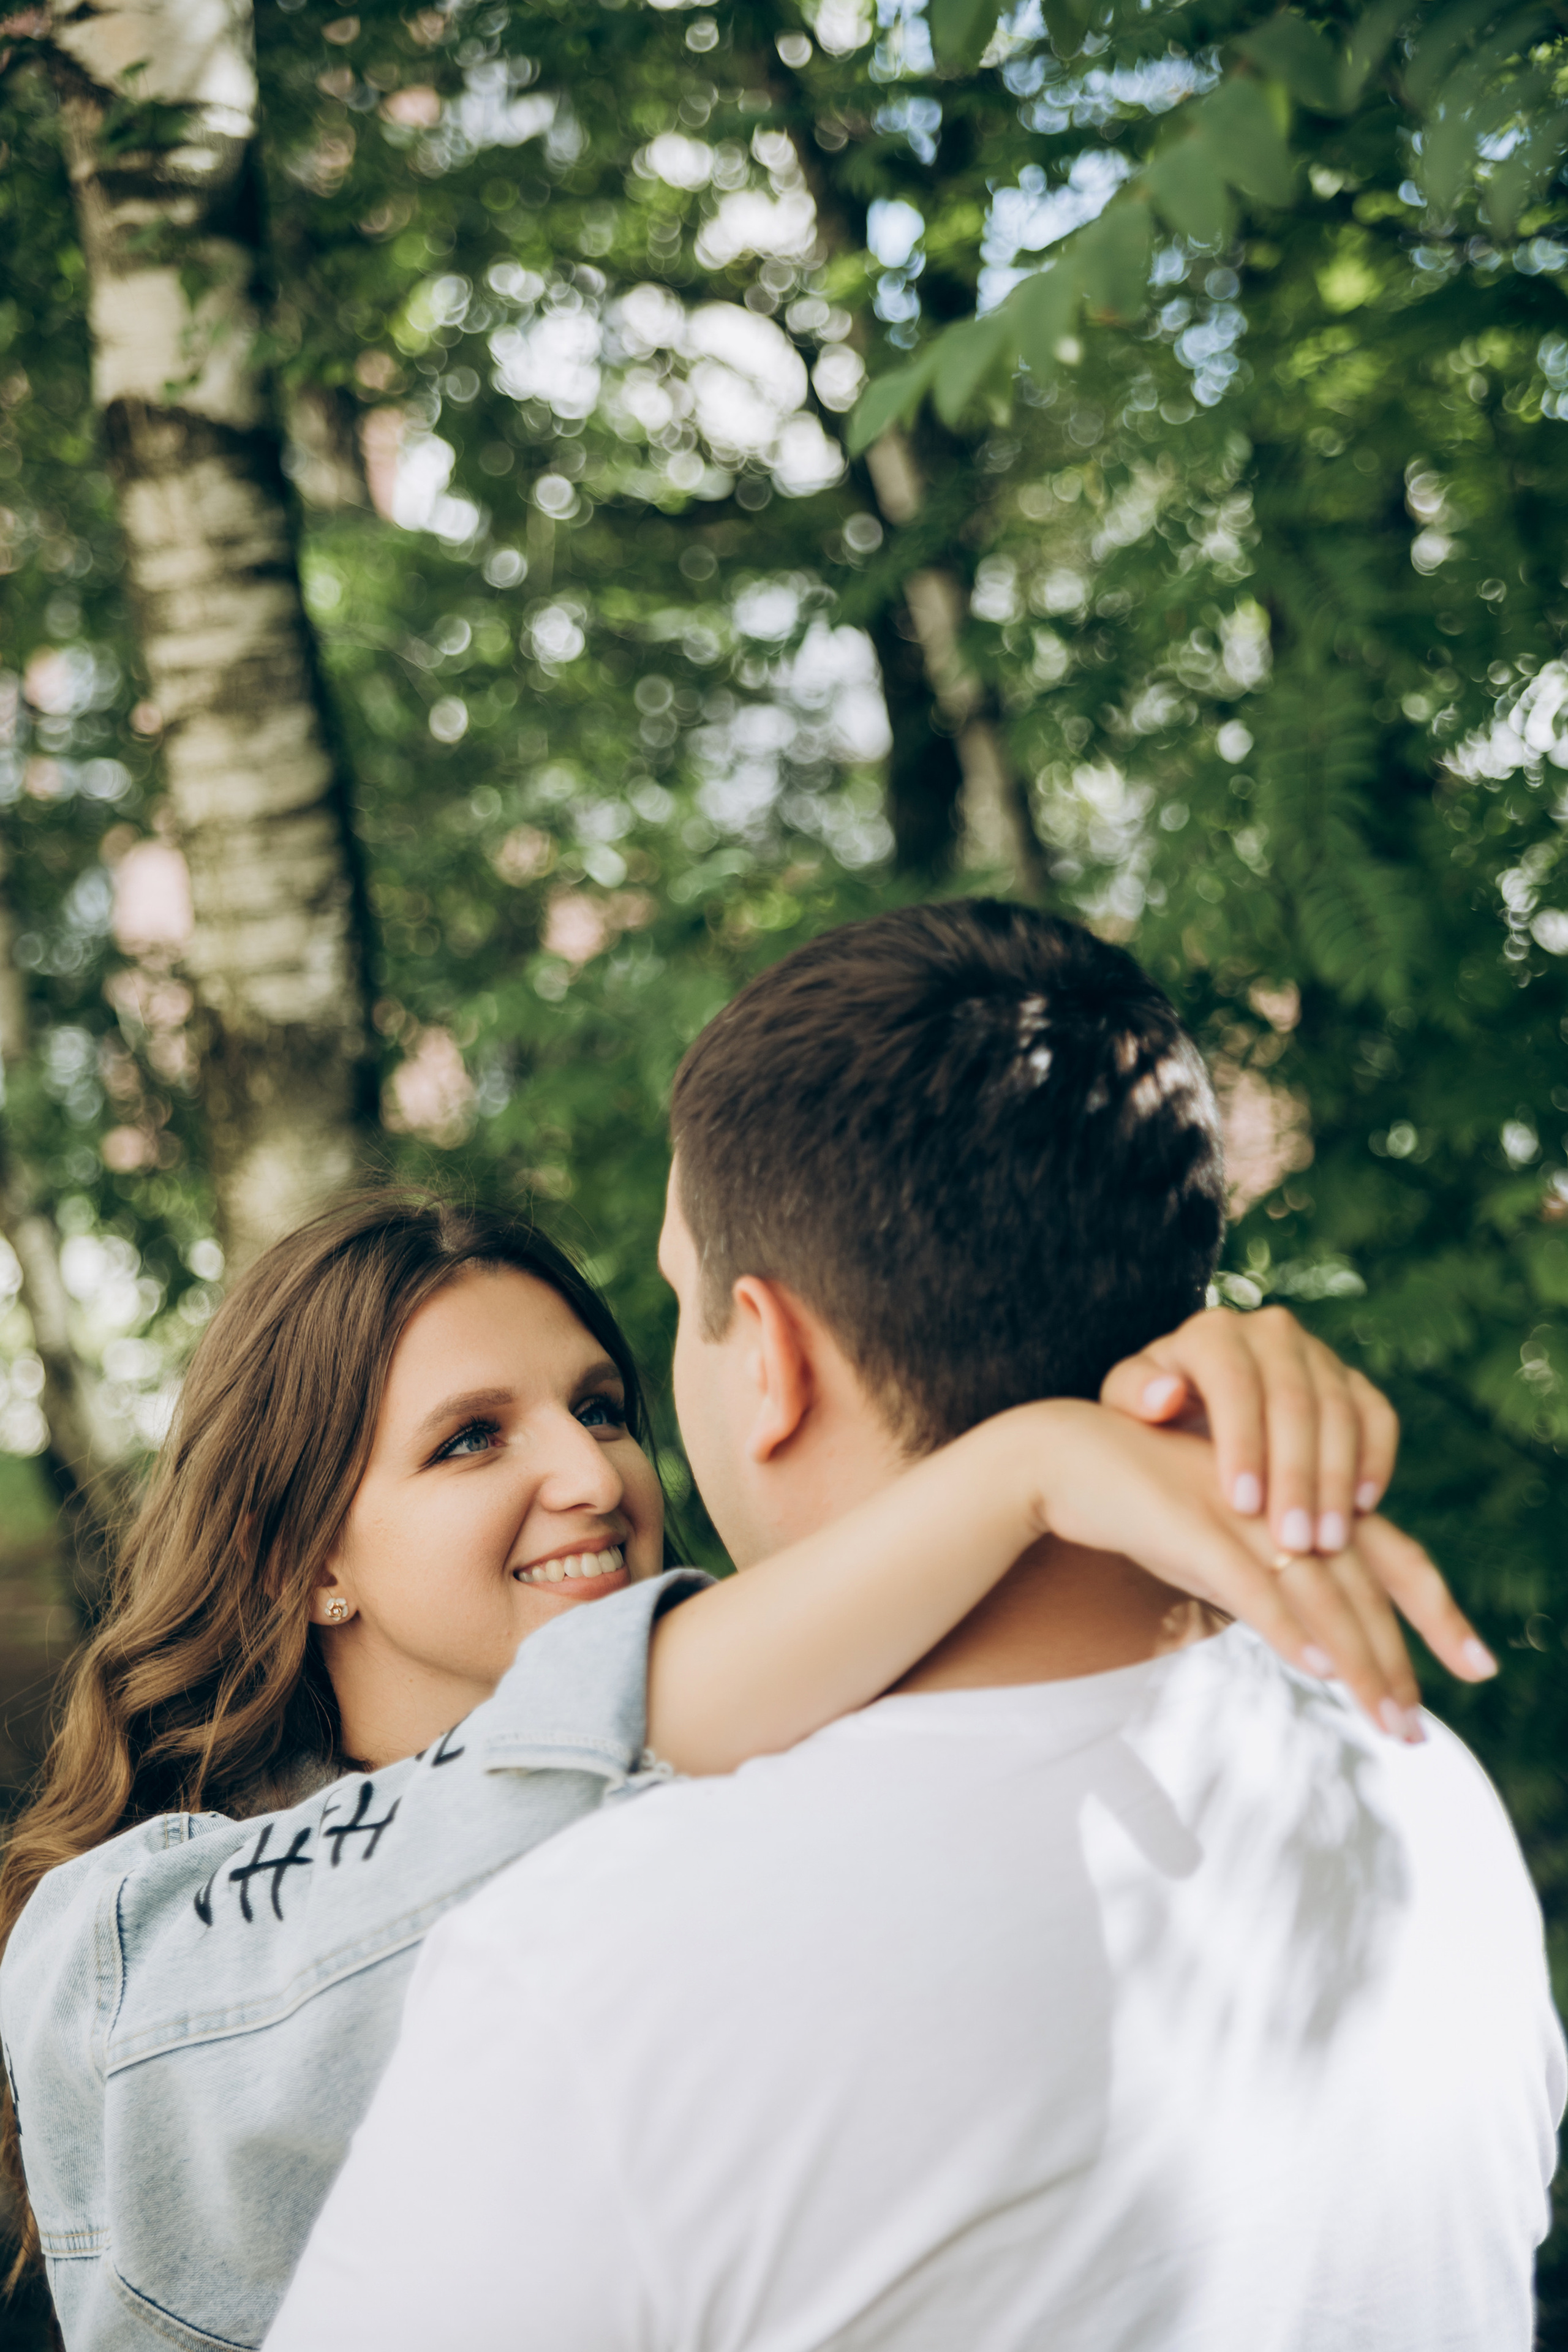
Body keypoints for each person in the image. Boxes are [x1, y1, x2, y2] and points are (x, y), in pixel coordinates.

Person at [271, 902, 1566, 2352]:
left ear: (766, 1356)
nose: (589, 1472)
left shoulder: (598, 1969)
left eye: (665, 1328)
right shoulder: (1418, 1803)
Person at [0, 1184, 1460, 2352]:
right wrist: (1032, 1463)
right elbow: (531, 1783)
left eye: (600, 1408)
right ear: (302, 1557)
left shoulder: (773, 1779)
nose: (588, 1476)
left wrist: (1166, 1392)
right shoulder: (129, 1943)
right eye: (468, 1442)